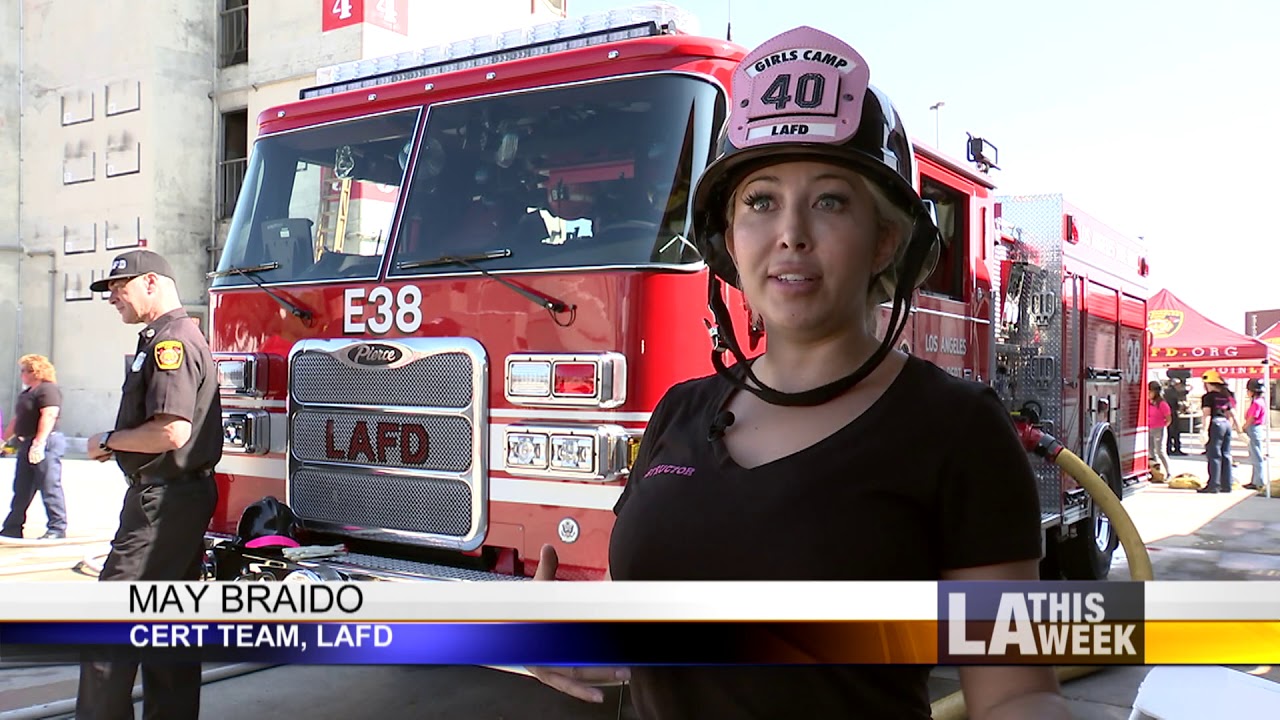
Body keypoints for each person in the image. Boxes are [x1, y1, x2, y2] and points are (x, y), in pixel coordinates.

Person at [529, 27, 1067, 719]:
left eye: (831, 200)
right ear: (729, 236)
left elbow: (1016, 693)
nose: (791, 232)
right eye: (760, 201)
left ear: (886, 240)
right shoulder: (680, 412)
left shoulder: (959, 432)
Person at [77, 250, 222, 719]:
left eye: (121, 286)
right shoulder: (166, 337)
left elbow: (171, 430)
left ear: (154, 283)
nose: (113, 296)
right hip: (178, 497)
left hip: (162, 503)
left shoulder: (171, 342)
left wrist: (109, 440)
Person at [1, 354, 68, 540]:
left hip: (45, 442)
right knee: (21, 487)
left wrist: (39, 443)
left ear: (35, 371)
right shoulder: (27, 393)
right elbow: (17, 420)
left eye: (24, 370)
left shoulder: (48, 390)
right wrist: (3, 440)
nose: (21, 374)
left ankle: (57, 527)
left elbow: (49, 415)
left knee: (49, 485)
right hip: (26, 442)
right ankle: (13, 527)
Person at [1198, 370, 1239, 494]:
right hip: (1226, 424)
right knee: (1226, 454)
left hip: (1215, 424)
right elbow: (1232, 413)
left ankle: (1213, 485)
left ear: (1208, 383)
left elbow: (1207, 414)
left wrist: (1204, 430)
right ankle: (1227, 485)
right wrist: (1239, 430)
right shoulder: (1225, 396)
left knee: (1214, 455)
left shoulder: (1208, 397)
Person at [1243, 378, 1267, 490]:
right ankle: (1255, 480)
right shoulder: (1261, 401)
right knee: (1255, 455)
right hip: (1256, 429)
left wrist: (1244, 427)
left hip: (1254, 428)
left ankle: (1259, 481)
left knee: (1256, 456)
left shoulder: (1256, 403)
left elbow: (1252, 417)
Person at [1147, 380, 1172, 481]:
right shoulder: (1148, 403)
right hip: (1149, 429)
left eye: (1150, 392)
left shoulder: (1162, 403)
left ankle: (1169, 472)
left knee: (1160, 451)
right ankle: (1156, 473)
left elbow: (1169, 418)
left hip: (1159, 429)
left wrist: (1162, 426)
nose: (1149, 394)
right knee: (1151, 452)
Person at [1162, 378, 1186, 455]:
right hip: (1172, 414)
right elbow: (1179, 403)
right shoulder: (1174, 392)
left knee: (1169, 432)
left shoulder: (1165, 392)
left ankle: (1169, 449)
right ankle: (1176, 448)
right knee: (1175, 432)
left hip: (1166, 414)